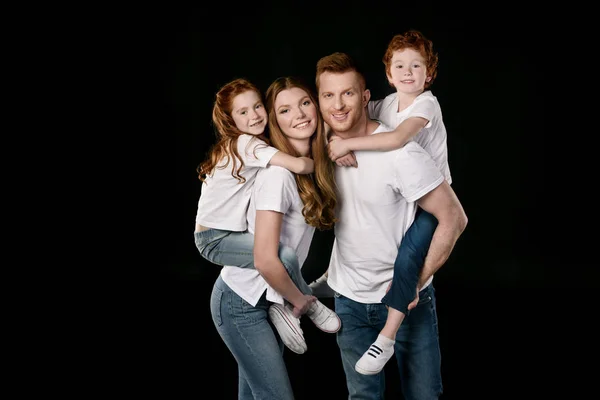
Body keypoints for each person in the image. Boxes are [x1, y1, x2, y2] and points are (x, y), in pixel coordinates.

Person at [316, 51, 468, 399]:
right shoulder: (322, 145)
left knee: (423, 395)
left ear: (366, 97)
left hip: (403, 300)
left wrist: (414, 283)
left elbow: (455, 218)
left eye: (348, 93)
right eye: (328, 95)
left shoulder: (403, 153)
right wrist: (329, 143)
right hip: (348, 300)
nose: (338, 105)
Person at [209, 76, 339, 399]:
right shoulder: (278, 175)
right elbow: (265, 259)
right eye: (284, 110)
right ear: (275, 121)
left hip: (269, 299)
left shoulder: (310, 171)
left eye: (305, 103)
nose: (299, 114)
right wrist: (302, 301)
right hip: (241, 301)